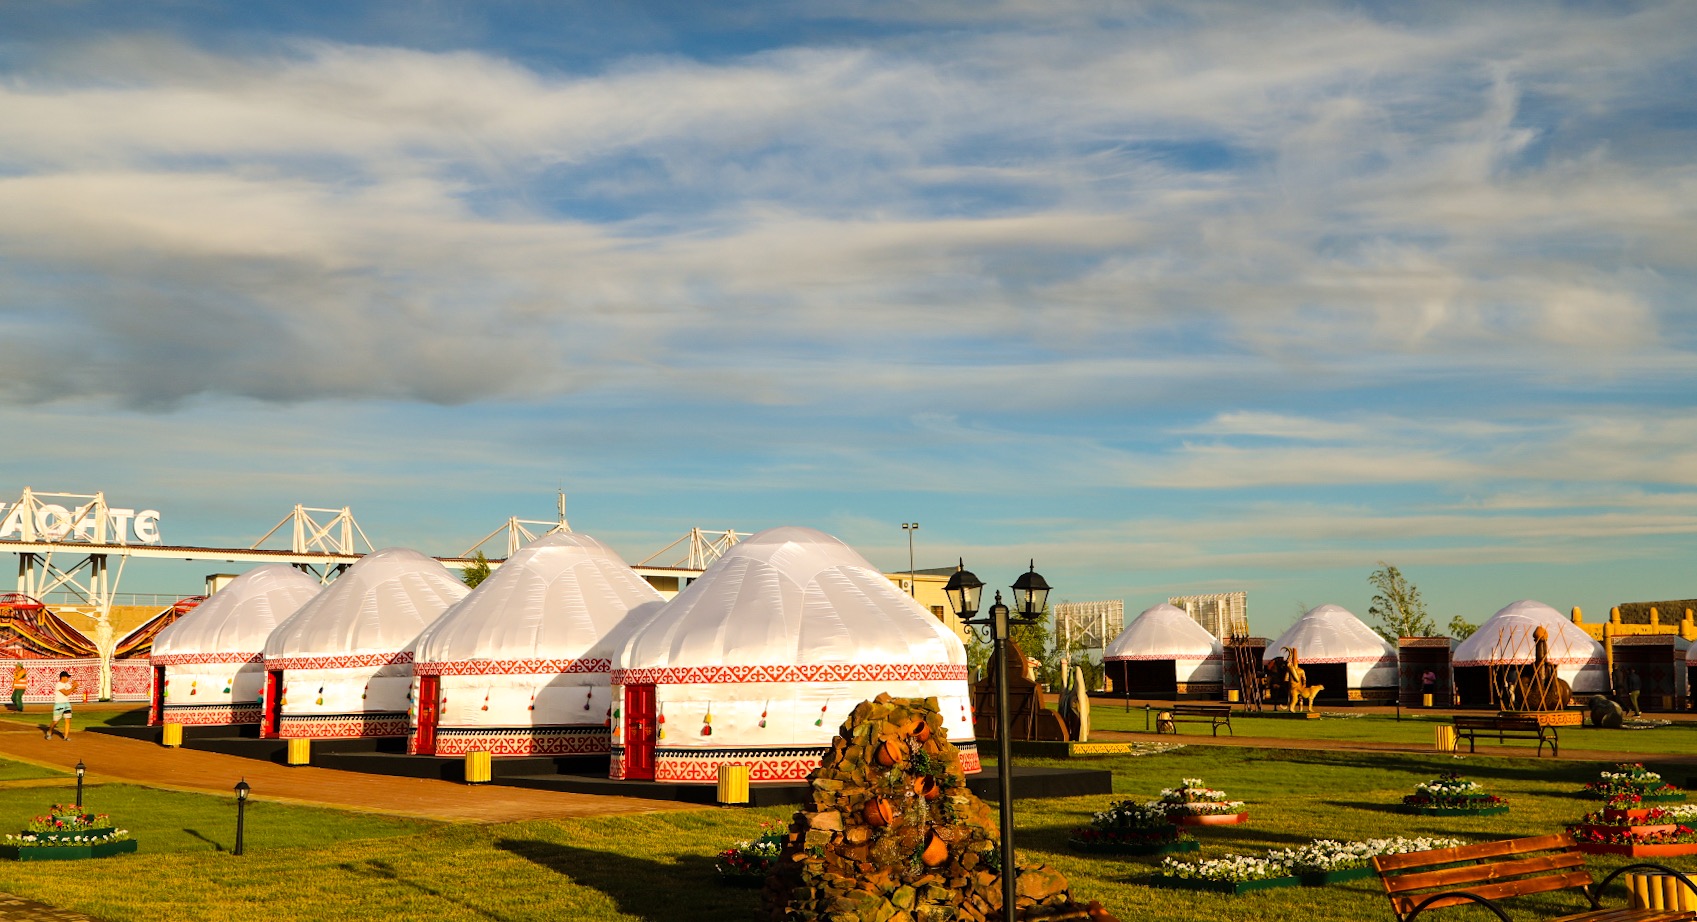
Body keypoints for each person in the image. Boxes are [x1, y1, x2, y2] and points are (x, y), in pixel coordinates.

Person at [46, 671, 76, 740]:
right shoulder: (58, 684)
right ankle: (49, 731)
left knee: (68, 720)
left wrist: (75, 686)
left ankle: (66, 737)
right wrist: (73, 687)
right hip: (59, 704)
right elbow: (66, 693)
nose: (68, 678)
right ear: (63, 677)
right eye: (67, 677)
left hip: (67, 703)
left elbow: (74, 691)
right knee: (55, 721)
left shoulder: (67, 684)